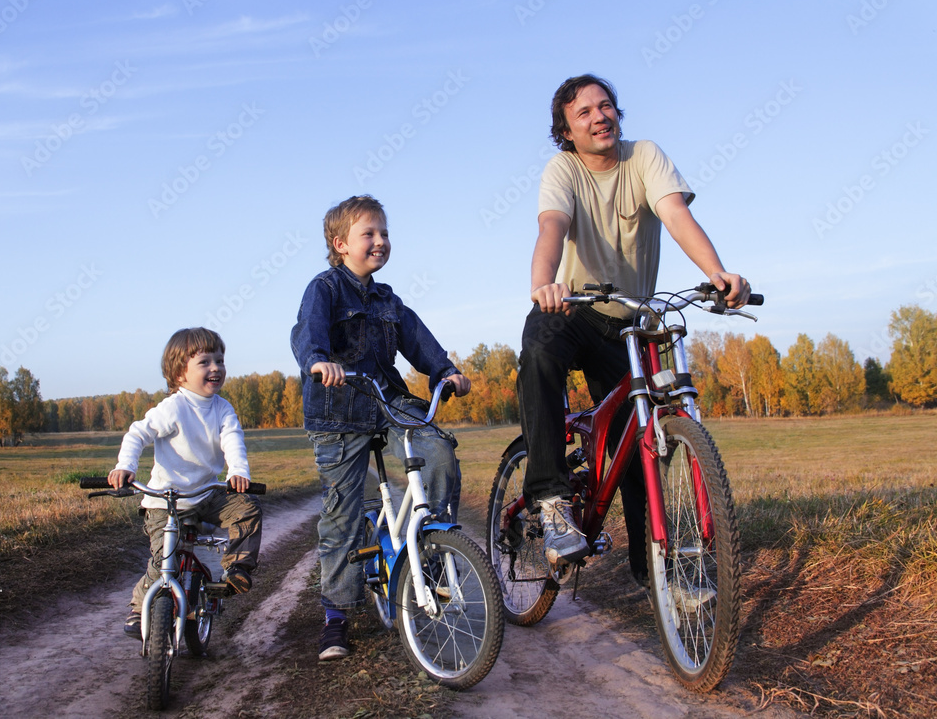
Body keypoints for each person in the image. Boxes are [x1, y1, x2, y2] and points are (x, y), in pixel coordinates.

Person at [518, 74, 752, 575]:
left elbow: (676, 216)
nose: (600, 116)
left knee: (637, 445)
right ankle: (553, 501)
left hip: (630, 320)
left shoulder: (643, 155)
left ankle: (660, 573)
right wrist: (544, 286)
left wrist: (717, 274)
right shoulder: (563, 169)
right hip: (572, 307)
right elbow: (551, 228)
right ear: (566, 131)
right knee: (539, 348)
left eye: (607, 107)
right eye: (584, 112)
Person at [290, 195, 470, 661]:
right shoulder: (325, 289)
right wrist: (318, 362)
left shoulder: (389, 300)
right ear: (340, 244)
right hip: (338, 411)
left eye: (384, 233)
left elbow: (417, 339)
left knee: (437, 454)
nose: (380, 241)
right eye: (368, 233)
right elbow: (306, 333)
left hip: (386, 400)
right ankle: (336, 616)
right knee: (342, 515)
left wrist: (444, 370)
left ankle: (426, 557)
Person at [108, 327, 262, 638]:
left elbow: (233, 440)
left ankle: (236, 570)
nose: (216, 368)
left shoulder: (223, 408)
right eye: (204, 362)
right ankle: (140, 608)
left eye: (220, 360)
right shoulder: (173, 407)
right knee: (166, 558)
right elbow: (138, 434)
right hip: (166, 500)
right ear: (180, 374)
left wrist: (238, 473)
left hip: (206, 493)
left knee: (247, 509)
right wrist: (124, 467)